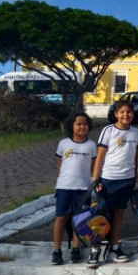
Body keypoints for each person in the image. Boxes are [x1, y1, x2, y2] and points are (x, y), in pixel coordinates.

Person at [89, 100, 138, 267]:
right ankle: (95, 249)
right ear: (116, 114)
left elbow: (135, 156)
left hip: (127, 179)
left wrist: (137, 176)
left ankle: (114, 247)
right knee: (101, 215)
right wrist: (95, 178)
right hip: (108, 179)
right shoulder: (108, 130)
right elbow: (100, 155)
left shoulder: (135, 132)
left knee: (119, 214)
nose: (126, 115)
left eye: (129, 112)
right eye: (122, 112)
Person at [51, 113, 96, 265]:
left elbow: (93, 166)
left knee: (80, 219)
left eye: (85, 124)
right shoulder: (63, 143)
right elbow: (59, 164)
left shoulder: (91, 145)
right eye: (78, 124)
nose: (82, 127)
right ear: (72, 126)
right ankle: (56, 250)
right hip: (64, 187)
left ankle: (76, 248)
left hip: (83, 188)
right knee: (61, 218)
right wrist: (64, 179)